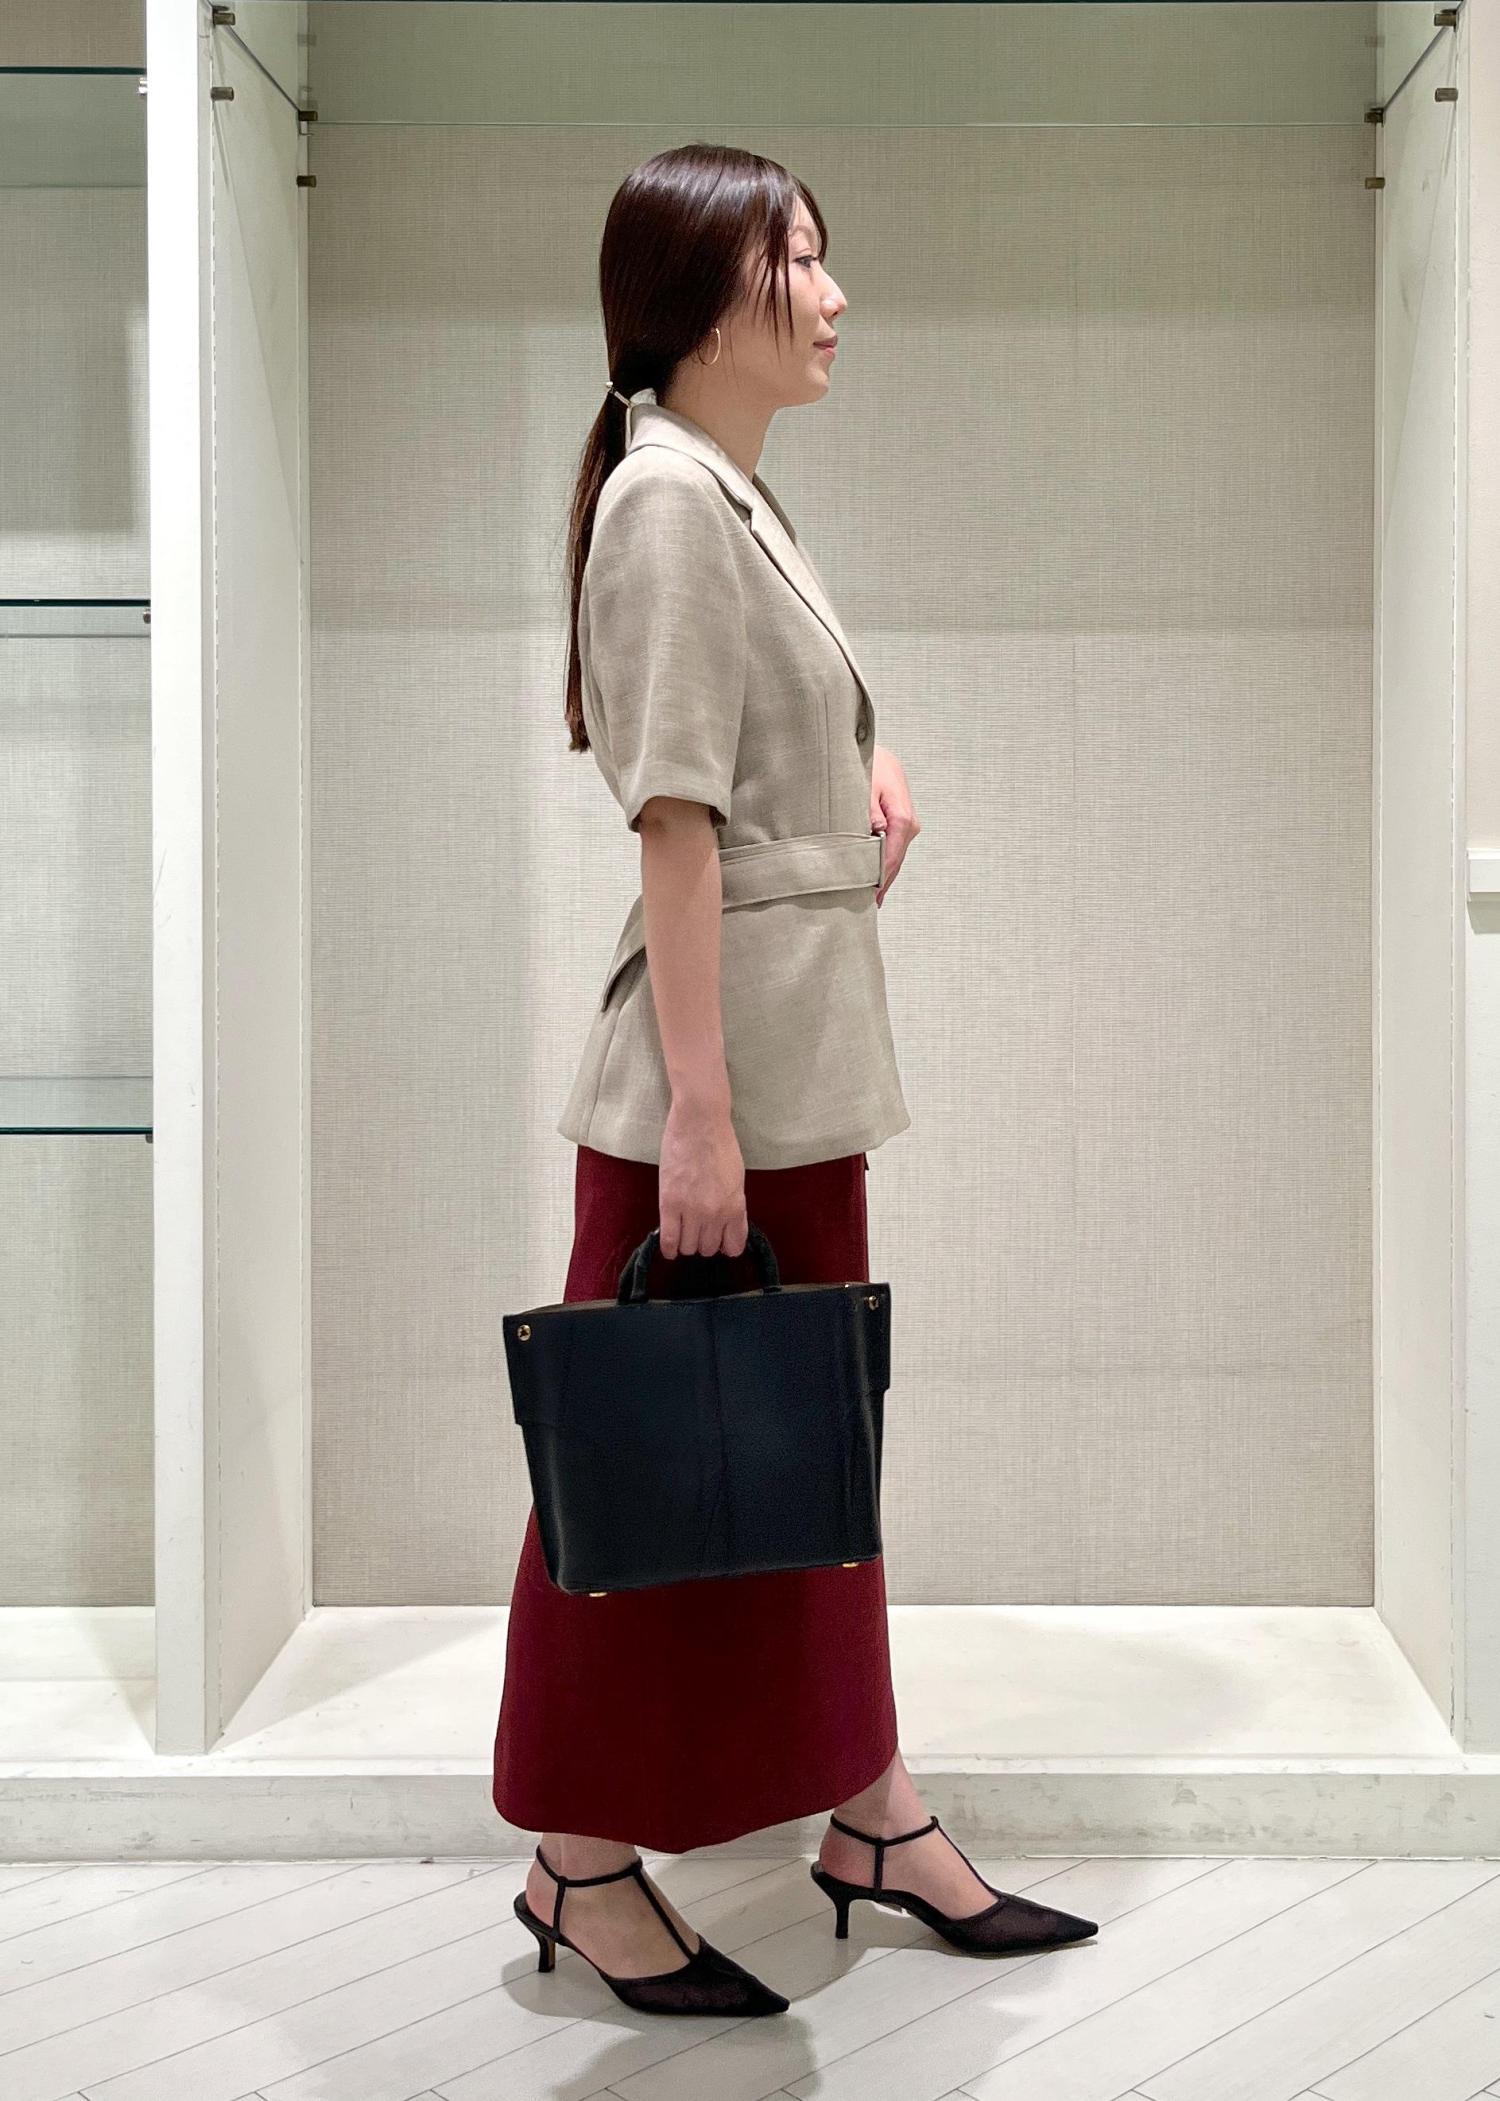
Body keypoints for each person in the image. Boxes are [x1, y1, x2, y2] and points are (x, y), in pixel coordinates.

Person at [493, 142, 1096, 2016]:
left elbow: (752, 748)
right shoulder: (671, 502)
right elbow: (673, 819)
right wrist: (700, 1116)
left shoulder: (727, 493)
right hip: (723, 1089)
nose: (834, 298)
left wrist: (864, 763)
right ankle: (583, 1862)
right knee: (634, 1470)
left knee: (809, 1453)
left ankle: (871, 1811)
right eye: (803, 261)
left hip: (786, 1070)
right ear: (703, 298)